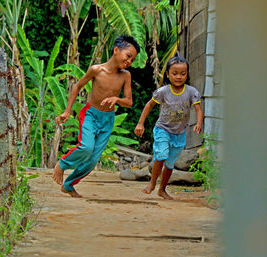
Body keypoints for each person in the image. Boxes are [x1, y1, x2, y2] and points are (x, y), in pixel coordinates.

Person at [52, 35, 141, 197]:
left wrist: (117, 99)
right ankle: (62, 164)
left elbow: (128, 102)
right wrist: (67, 110)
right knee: (86, 147)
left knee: (92, 160)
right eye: (128, 56)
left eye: (132, 60)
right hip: (90, 115)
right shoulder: (96, 70)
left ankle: (68, 185)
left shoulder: (125, 76)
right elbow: (77, 86)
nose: (129, 61)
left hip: (107, 120)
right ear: (116, 50)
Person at [134, 56, 203, 200]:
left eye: (183, 74)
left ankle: (162, 190)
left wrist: (198, 123)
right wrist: (140, 123)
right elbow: (149, 105)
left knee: (170, 163)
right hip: (163, 129)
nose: (179, 77)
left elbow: (198, 109)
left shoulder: (191, 92)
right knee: (162, 155)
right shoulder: (163, 91)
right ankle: (152, 184)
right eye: (175, 73)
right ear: (168, 74)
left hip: (179, 133)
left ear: (187, 74)